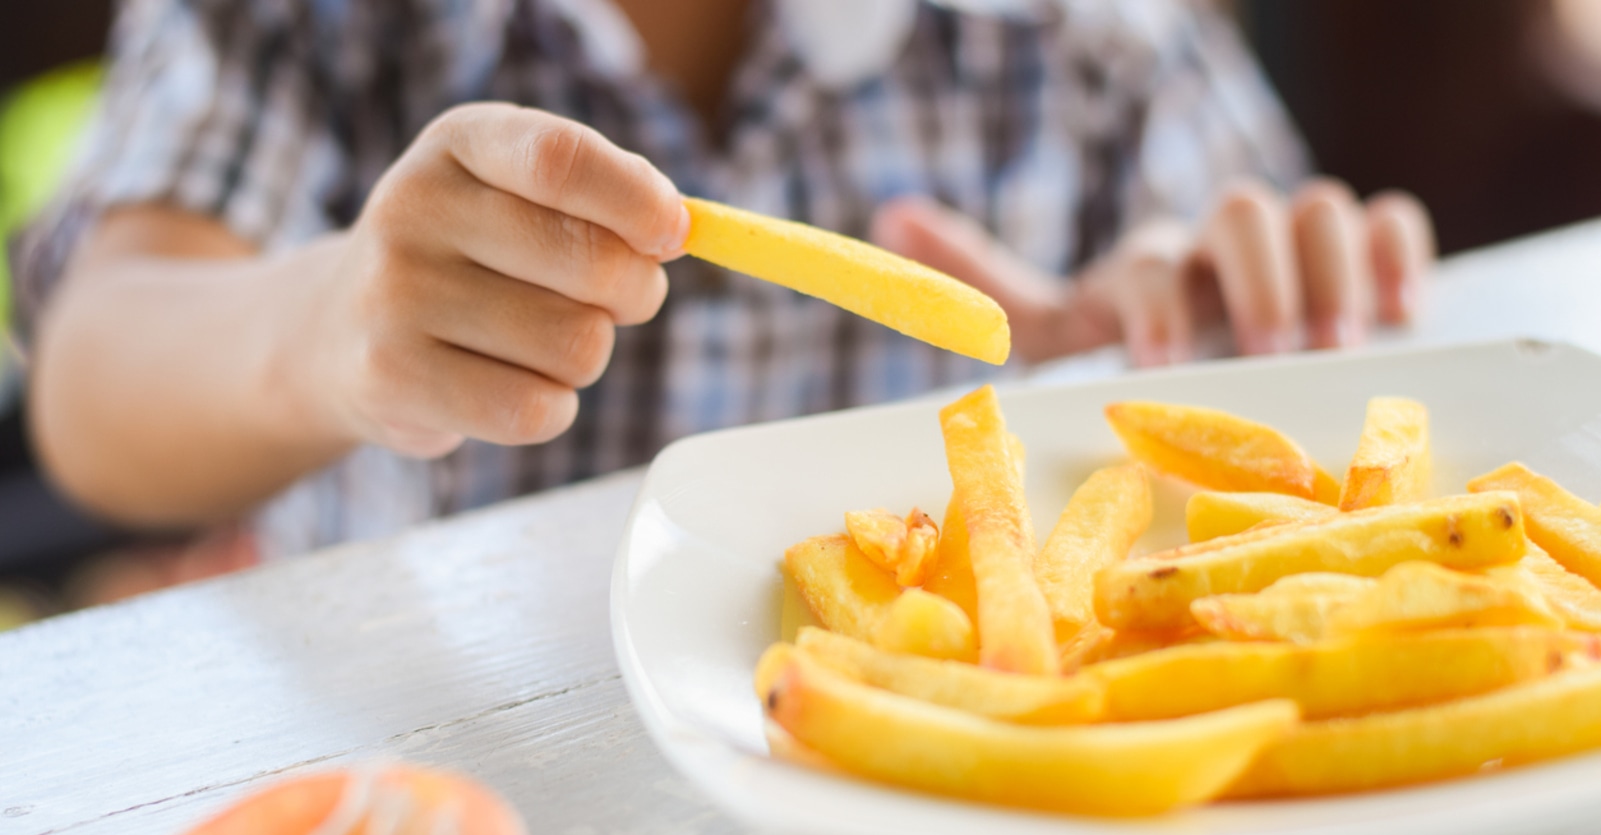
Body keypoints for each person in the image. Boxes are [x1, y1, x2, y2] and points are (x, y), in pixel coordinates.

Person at [12, 0, 1433, 561]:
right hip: (448, 772)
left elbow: (1226, 347)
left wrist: (1179, 332)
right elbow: (95, 379)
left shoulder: (1090, 39)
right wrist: (321, 330)